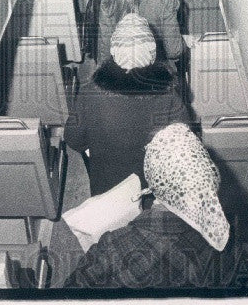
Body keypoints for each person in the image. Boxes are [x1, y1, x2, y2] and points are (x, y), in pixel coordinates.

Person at [63, 122, 247, 289]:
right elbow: (239, 274)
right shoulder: (226, 229)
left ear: (154, 181)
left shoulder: (116, 246)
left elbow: (70, 294)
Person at [65, 14, 189, 197]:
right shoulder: (169, 96)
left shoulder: (90, 92)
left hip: (107, 190)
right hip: (153, 190)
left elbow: (73, 140)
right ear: (152, 53)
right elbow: (184, 146)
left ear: (114, 51)